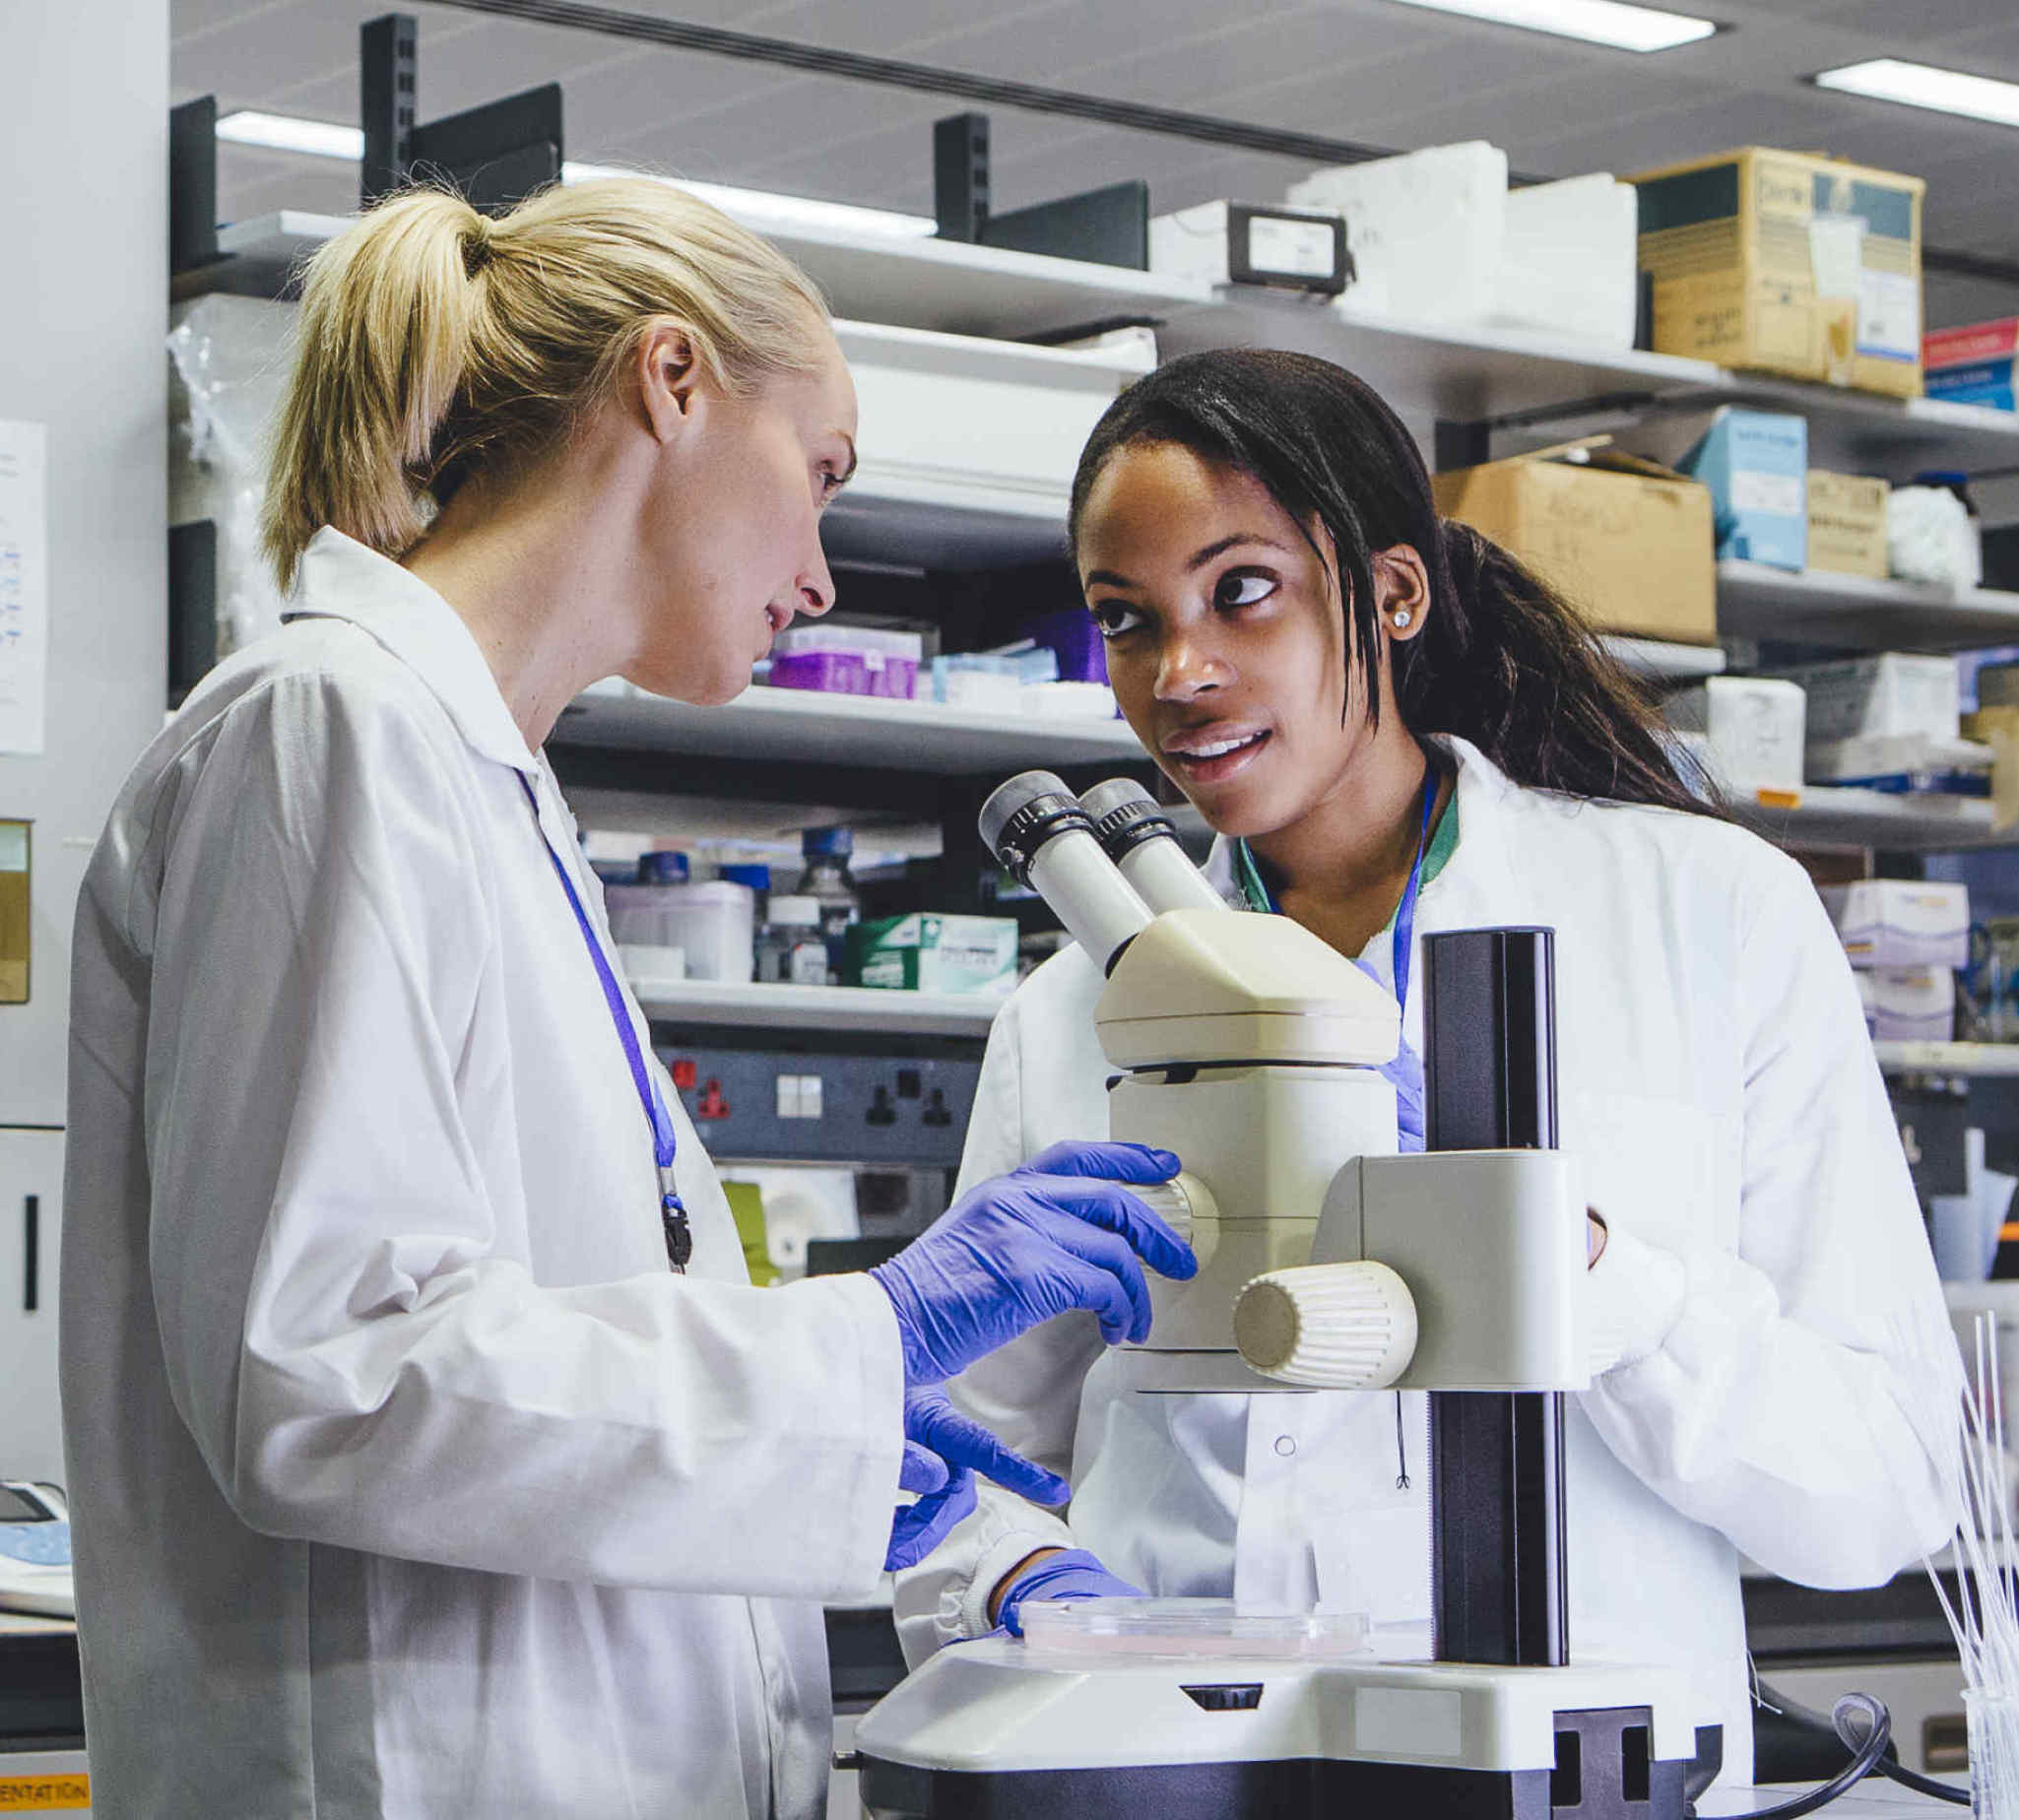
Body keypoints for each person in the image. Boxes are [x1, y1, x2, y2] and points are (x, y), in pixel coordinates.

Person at [59, 176, 1195, 1819]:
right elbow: (332, 1373)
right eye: (819, 481)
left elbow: (548, 1336)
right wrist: (865, 1335)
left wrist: (846, 1461)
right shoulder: (326, 731)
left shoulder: (489, 785)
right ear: (671, 381)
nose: (816, 576)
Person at [890, 349, 1961, 1799]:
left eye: (1243, 590)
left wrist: (1574, 1264)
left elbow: (1880, 1491)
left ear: (1393, 594)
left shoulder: (1706, 915)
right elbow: (964, 1456)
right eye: (1127, 621)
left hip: (1572, 1776)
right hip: (1180, 1774)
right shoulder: (1078, 1008)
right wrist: (1022, 1584)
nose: (1180, 675)